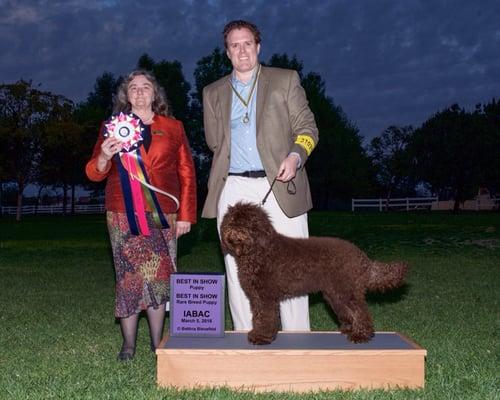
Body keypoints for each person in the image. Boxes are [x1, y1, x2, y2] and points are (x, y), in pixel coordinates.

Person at [202, 20, 319, 332]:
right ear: (227, 52)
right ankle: (246, 334)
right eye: (234, 45)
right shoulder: (212, 92)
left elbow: (308, 129)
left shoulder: (285, 80)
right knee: (238, 265)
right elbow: (214, 142)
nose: (242, 50)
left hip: (279, 183)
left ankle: (298, 338)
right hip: (234, 186)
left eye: (247, 43)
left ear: (258, 47)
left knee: (293, 262)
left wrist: (296, 155)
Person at [86, 70, 196, 361]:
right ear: (126, 94)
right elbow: (94, 173)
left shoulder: (173, 127)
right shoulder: (112, 126)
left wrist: (186, 215)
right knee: (128, 278)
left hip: (164, 214)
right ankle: (128, 345)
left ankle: (157, 342)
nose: (139, 92)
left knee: (160, 278)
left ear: (154, 94)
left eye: (145, 87)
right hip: (122, 213)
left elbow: (187, 172)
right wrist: (105, 157)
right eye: (133, 87)